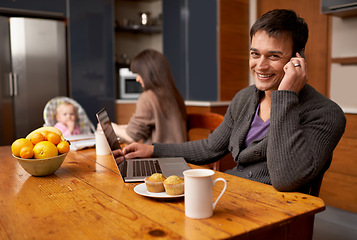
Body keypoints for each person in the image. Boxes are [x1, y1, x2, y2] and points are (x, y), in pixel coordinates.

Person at [115, 9, 346, 192]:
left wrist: (285, 96)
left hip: (275, 213)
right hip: (229, 193)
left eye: (274, 56)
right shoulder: (245, 98)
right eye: (255, 54)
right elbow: (210, 147)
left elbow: (286, 180)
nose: (261, 66)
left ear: (298, 58)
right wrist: (153, 149)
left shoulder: (326, 113)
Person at [99, 49, 187, 144]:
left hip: (161, 157)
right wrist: (117, 127)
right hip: (179, 157)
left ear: (148, 74)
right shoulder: (175, 95)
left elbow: (131, 136)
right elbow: (141, 127)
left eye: (139, 74)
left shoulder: (148, 97)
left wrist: (109, 127)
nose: (137, 79)